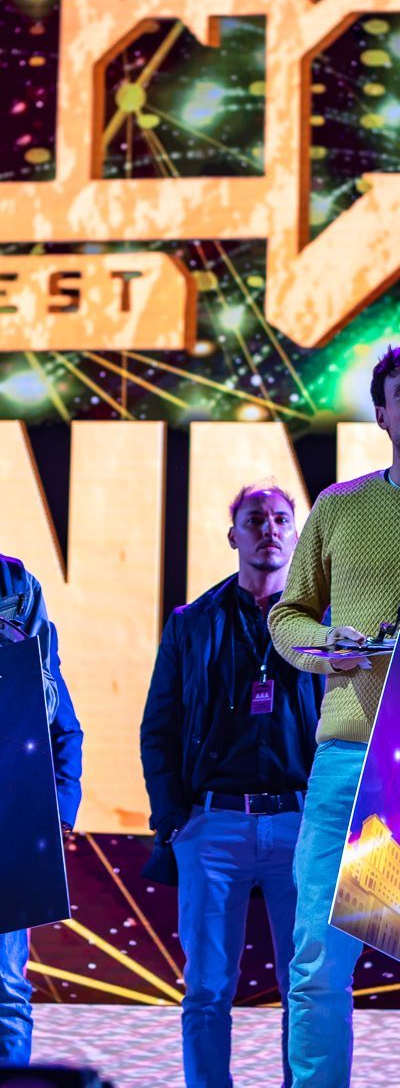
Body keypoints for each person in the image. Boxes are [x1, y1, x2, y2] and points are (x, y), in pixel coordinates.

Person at [141, 484, 324, 1088]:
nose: (269, 529)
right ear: (233, 535)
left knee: (306, 986)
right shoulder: (192, 623)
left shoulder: (324, 624)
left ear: (296, 535)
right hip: (213, 825)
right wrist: (175, 818)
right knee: (207, 989)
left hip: (300, 825)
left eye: (281, 520)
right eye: (255, 519)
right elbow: (159, 726)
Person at [269, 342, 400, 1088]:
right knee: (318, 964)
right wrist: (329, 646)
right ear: (382, 413)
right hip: (354, 764)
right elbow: (288, 615)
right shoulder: (339, 506)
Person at [0, 553, 83, 1067]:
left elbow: (61, 722)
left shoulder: (15, 583)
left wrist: (60, 814)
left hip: (8, 825)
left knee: (5, 992)